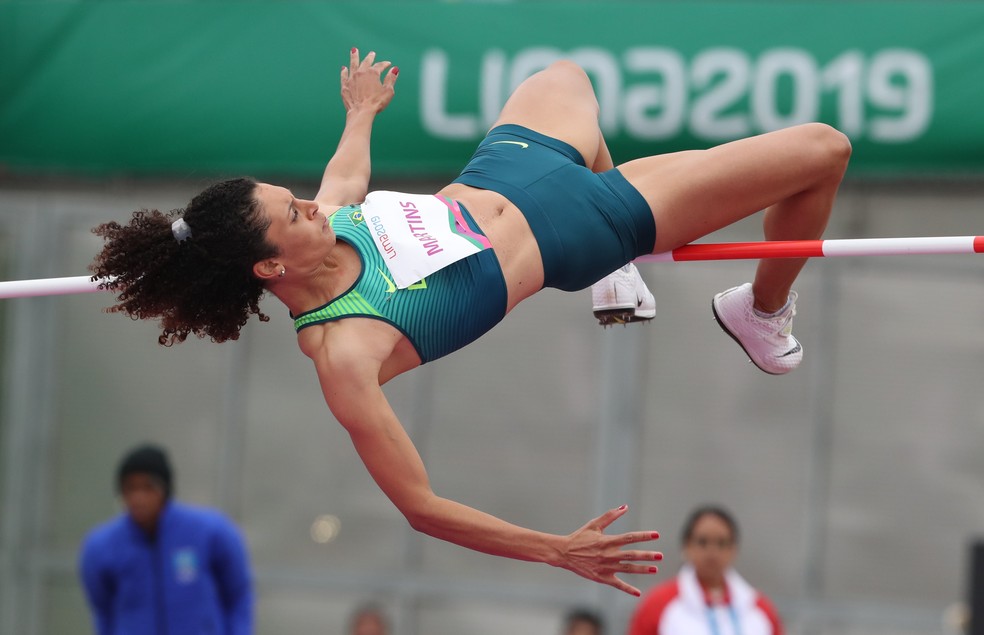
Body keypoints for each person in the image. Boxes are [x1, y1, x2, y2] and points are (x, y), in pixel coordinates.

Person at [88, 48, 851, 596]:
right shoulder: (345, 350)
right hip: (583, 223)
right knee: (824, 150)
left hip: (507, 169)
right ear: (268, 267)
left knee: (564, 73)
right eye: (292, 211)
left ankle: (627, 279)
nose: (310, 203)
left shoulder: (333, 219)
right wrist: (556, 550)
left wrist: (360, 113)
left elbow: (346, 174)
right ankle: (760, 311)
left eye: (296, 193)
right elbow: (420, 507)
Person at [78, 444, 254, 635]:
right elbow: (103, 610)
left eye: (148, 487)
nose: (139, 497)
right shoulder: (102, 546)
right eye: (131, 488)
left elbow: (238, 595)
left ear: (165, 490)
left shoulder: (211, 532)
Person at [627, 505, 783, 635]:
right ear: (686, 546)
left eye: (721, 543)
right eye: (703, 542)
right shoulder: (658, 604)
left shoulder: (759, 608)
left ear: (734, 549)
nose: (712, 552)